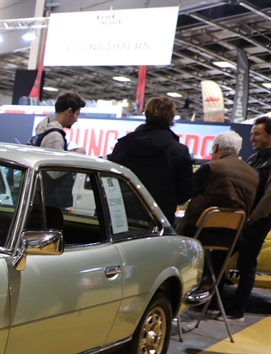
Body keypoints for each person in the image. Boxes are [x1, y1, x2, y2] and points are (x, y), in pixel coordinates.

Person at [176, 130, 258, 284]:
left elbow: (185, 193)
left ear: (216, 148)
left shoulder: (211, 168)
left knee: (172, 236)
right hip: (233, 237)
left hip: (200, 232)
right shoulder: (253, 174)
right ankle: (210, 286)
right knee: (217, 263)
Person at [108, 95, 195, 226]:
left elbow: (110, 180)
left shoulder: (124, 144)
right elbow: (186, 191)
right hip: (159, 220)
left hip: (121, 217)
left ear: (147, 113)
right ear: (171, 117)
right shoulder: (178, 151)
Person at [226, 115, 271, 321]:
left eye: (257, 134)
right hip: (243, 218)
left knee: (246, 264)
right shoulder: (254, 159)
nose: (252, 138)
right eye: (252, 134)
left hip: (258, 220)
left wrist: (252, 218)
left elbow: (269, 197)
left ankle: (238, 310)